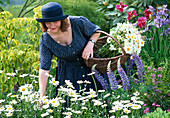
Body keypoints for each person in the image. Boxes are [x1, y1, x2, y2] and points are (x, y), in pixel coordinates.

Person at [36, 2, 102, 98]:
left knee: (97, 102)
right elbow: (44, 67)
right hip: (67, 76)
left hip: (90, 69)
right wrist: (42, 94)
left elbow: (97, 31)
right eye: (48, 22)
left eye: (55, 21)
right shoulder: (46, 39)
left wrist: (90, 44)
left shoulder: (77, 22)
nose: (52, 25)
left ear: (62, 20)